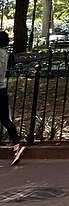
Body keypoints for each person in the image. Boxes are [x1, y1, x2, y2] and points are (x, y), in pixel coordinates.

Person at [0, 31, 25, 165]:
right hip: (2, 89)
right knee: (5, 119)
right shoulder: (5, 54)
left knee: (4, 119)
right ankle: (17, 144)